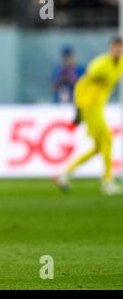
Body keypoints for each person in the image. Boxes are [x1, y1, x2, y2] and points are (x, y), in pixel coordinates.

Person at [55, 37, 123, 195]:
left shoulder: (120, 64)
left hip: (98, 106)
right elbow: (81, 84)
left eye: (120, 49)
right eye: (115, 48)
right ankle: (107, 182)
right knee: (107, 139)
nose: (117, 51)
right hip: (89, 107)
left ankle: (65, 174)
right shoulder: (99, 65)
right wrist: (78, 108)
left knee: (99, 148)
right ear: (110, 49)